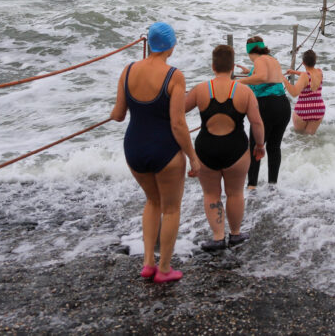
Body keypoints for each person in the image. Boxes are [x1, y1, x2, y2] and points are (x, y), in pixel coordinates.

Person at [110, 22, 198, 284]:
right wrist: (192, 155)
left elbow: (117, 115)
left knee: (152, 202)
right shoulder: (174, 76)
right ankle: (165, 268)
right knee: (170, 209)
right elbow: (178, 123)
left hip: (134, 147)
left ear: (149, 43)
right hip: (165, 149)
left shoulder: (128, 71)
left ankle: (148, 263)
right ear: (170, 46)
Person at [185, 44, 265, 252]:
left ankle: (218, 237)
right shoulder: (244, 91)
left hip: (206, 150)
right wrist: (259, 146)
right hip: (236, 150)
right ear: (232, 67)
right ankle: (236, 234)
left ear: (213, 66)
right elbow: (257, 123)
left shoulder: (200, 90)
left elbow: (176, 114)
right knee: (235, 192)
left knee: (211, 194)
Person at [235, 36, 291, 190]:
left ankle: (251, 186)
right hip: (283, 105)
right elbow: (267, 76)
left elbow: (261, 77)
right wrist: (249, 73)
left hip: (267, 105)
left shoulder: (259, 60)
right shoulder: (272, 59)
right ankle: (272, 186)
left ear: (249, 51)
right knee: (274, 147)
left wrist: (238, 82)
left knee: (255, 146)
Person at [283, 49, 326, 135]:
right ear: (315, 61)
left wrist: (283, 79)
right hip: (318, 109)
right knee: (309, 139)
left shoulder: (304, 76)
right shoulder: (319, 72)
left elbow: (294, 93)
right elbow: (310, 74)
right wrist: (294, 72)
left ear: (303, 63)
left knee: (299, 138)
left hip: (303, 110)